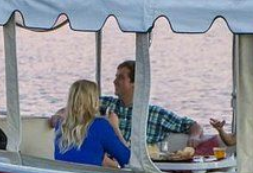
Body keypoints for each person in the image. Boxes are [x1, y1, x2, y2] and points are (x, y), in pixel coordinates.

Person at [57, 60, 203, 147]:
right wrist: (58, 117)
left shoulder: (154, 114)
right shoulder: (104, 104)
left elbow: (192, 125)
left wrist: (194, 136)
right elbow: (73, 107)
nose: (114, 81)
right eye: (116, 77)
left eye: (120, 78)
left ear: (135, 83)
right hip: (105, 167)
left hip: (134, 171)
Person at [54, 79, 131, 168]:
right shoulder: (100, 126)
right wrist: (115, 128)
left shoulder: (61, 125)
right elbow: (127, 160)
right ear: (93, 100)